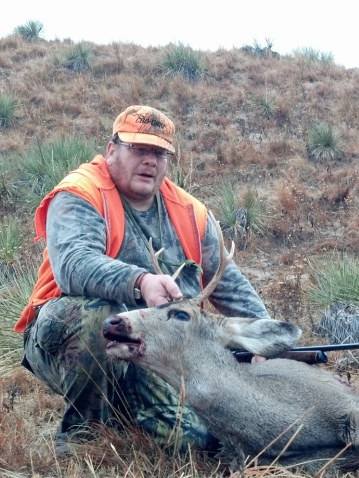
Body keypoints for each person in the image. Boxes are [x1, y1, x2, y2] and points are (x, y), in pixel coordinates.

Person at [15, 105, 271, 456]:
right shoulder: (80, 193)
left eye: (160, 153)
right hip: (67, 338)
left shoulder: (190, 213)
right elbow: (73, 265)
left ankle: (126, 411)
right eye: (139, 149)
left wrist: (264, 342)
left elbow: (231, 288)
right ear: (112, 150)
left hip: (155, 349)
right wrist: (140, 282)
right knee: (99, 314)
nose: (150, 161)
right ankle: (81, 438)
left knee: (199, 442)